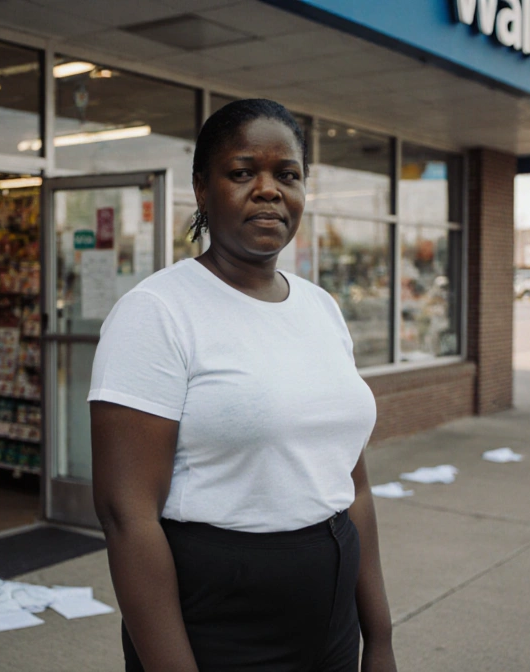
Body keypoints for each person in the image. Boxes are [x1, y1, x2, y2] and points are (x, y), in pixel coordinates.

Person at [89, 98, 397, 672]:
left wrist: (378, 639)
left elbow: (353, 486)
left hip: (332, 616)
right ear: (202, 190)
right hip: (220, 624)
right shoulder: (157, 312)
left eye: (288, 175)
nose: (268, 190)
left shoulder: (321, 308)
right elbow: (126, 516)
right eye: (242, 172)